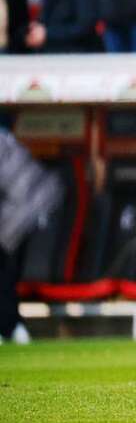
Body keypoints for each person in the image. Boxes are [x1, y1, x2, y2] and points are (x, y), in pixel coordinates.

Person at [0, 127, 62, 346]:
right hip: (32, 207)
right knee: (7, 276)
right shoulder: (4, 136)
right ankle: (13, 327)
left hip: (23, 211)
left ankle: (9, 328)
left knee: (4, 276)